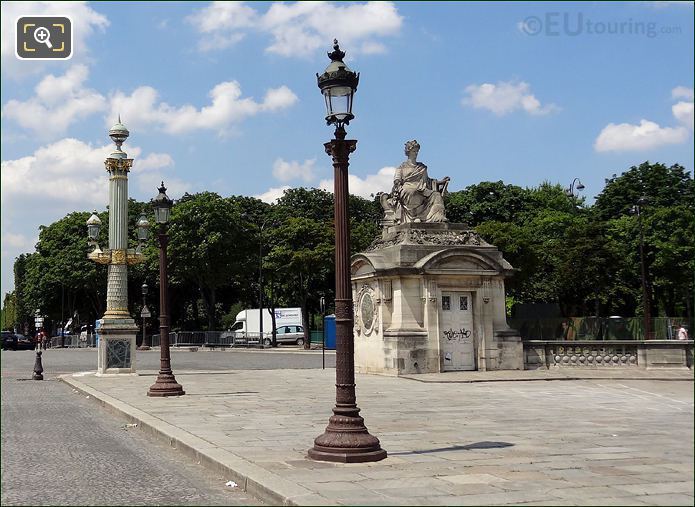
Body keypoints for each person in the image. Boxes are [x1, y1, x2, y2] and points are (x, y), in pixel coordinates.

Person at [390, 140, 449, 223]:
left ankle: (437, 218)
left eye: (417, 151)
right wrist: (397, 183)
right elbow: (397, 180)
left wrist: (441, 182)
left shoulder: (422, 167)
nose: (416, 153)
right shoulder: (401, 167)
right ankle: (415, 216)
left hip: (422, 188)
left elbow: (428, 181)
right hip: (407, 188)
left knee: (436, 195)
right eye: (414, 151)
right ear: (408, 152)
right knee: (412, 191)